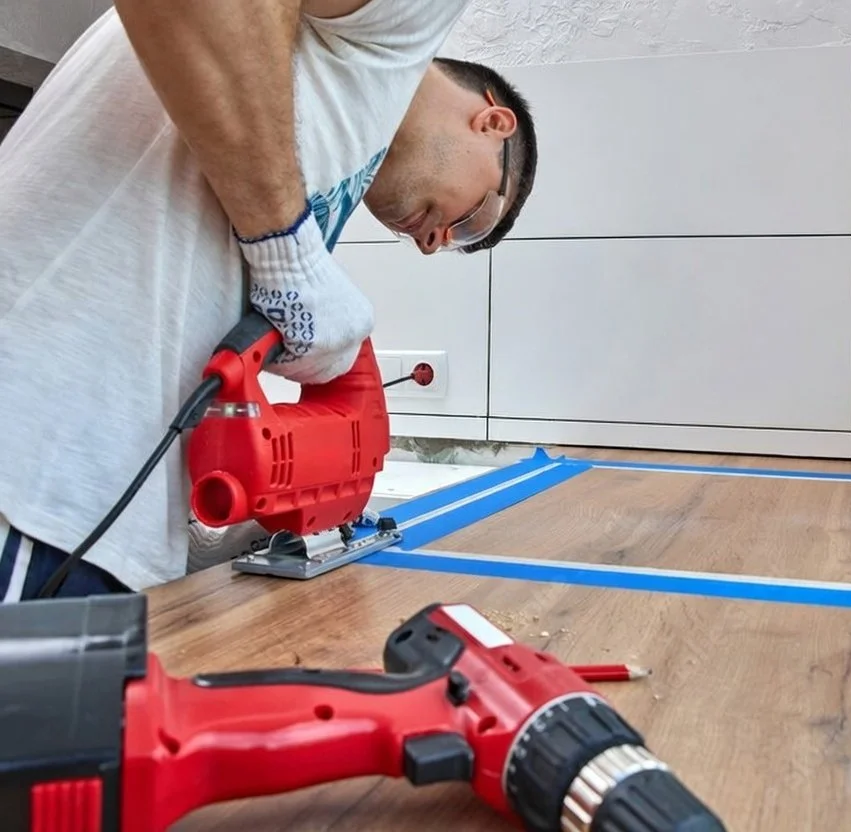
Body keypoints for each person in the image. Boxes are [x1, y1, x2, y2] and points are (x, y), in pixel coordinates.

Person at [0, 0, 538, 601]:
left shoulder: (330, 118)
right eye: (470, 223)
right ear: (493, 125)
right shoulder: (409, 21)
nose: (434, 244)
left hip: (83, 511)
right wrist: (288, 252)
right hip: (38, 471)